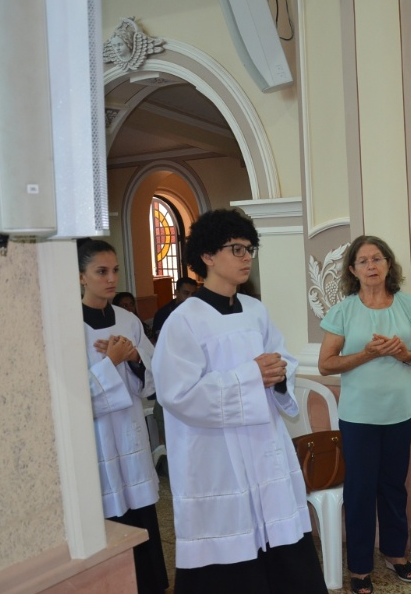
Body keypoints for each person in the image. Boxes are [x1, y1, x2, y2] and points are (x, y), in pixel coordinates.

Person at [152, 209, 327, 594]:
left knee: (283, 549)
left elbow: (282, 362)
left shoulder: (256, 311)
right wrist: (250, 376)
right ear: (208, 257)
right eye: (236, 249)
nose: (247, 257)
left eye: (250, 249)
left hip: (264, 448)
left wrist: (279, 375)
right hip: (217, 457)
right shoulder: (184, 321)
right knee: (230, 555)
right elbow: (177, 395)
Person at [317, 235, 411, 594]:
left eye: (377, 259)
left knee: (393, 487)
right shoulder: (343, 311)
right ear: (352, 269)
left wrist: (405, 355)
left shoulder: (409, 305)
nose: (371, 266)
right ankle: (360, 567)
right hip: (359, 417)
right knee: (360, 490)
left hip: (401, 412)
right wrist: (366, 355)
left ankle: (396, 554)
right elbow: (325, 364)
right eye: (363, 261)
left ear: (388, 265)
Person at [78, 239, 168, 594]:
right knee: (111, 517)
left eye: (115, 270)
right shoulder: (70, 328)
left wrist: (133, 358)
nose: (111, 278)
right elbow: (74, 398)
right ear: (81, 277)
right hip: (99, 438)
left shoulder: (128, 320)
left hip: (129, 430)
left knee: (142, 515)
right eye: (101, 271)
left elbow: (154, 375)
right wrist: (111, 361)